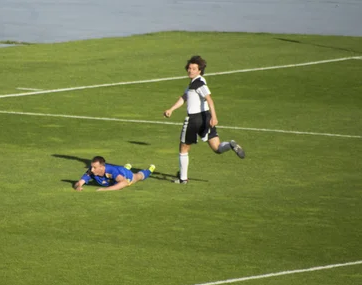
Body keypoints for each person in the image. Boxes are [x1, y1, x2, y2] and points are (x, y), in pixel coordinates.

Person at [163, 55, 245, 184]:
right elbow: (184, 97)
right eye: (189, 68)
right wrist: (171, 109)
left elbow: (210, 100)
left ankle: (183, 179)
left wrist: (215, 117)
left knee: (183, 148)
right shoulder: (193, 83)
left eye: (194, 69)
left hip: (195, 119)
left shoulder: (199, 83)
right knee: (217, 148)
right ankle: (230, 144)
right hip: (205, 118)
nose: (190, 71)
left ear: (199, 70)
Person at [74, 156, 155, 191]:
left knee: (138, 176)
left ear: (101, 167)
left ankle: (149, 170)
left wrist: (105, 190)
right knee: (119, 173)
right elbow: (79, 182)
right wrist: (78, 187)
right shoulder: (91, 171)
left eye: (94, 167)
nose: (91, 169)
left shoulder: (111, 170)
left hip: (126, 175)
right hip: (118, 171)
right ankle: (126, 167)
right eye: (91, 166)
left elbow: (124, 183)